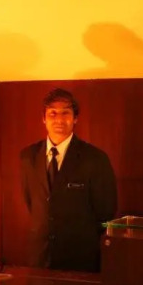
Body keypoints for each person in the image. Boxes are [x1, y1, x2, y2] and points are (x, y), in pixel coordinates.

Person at [19, 88, 117, 272]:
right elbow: (31, 202)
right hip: (40, 256)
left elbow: (105, 211)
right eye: (52, 113)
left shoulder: (95, 159)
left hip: (80, 258)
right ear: (44, 118)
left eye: (65, 113)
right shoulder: (27, 157)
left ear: (75, 118)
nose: (59, 119)